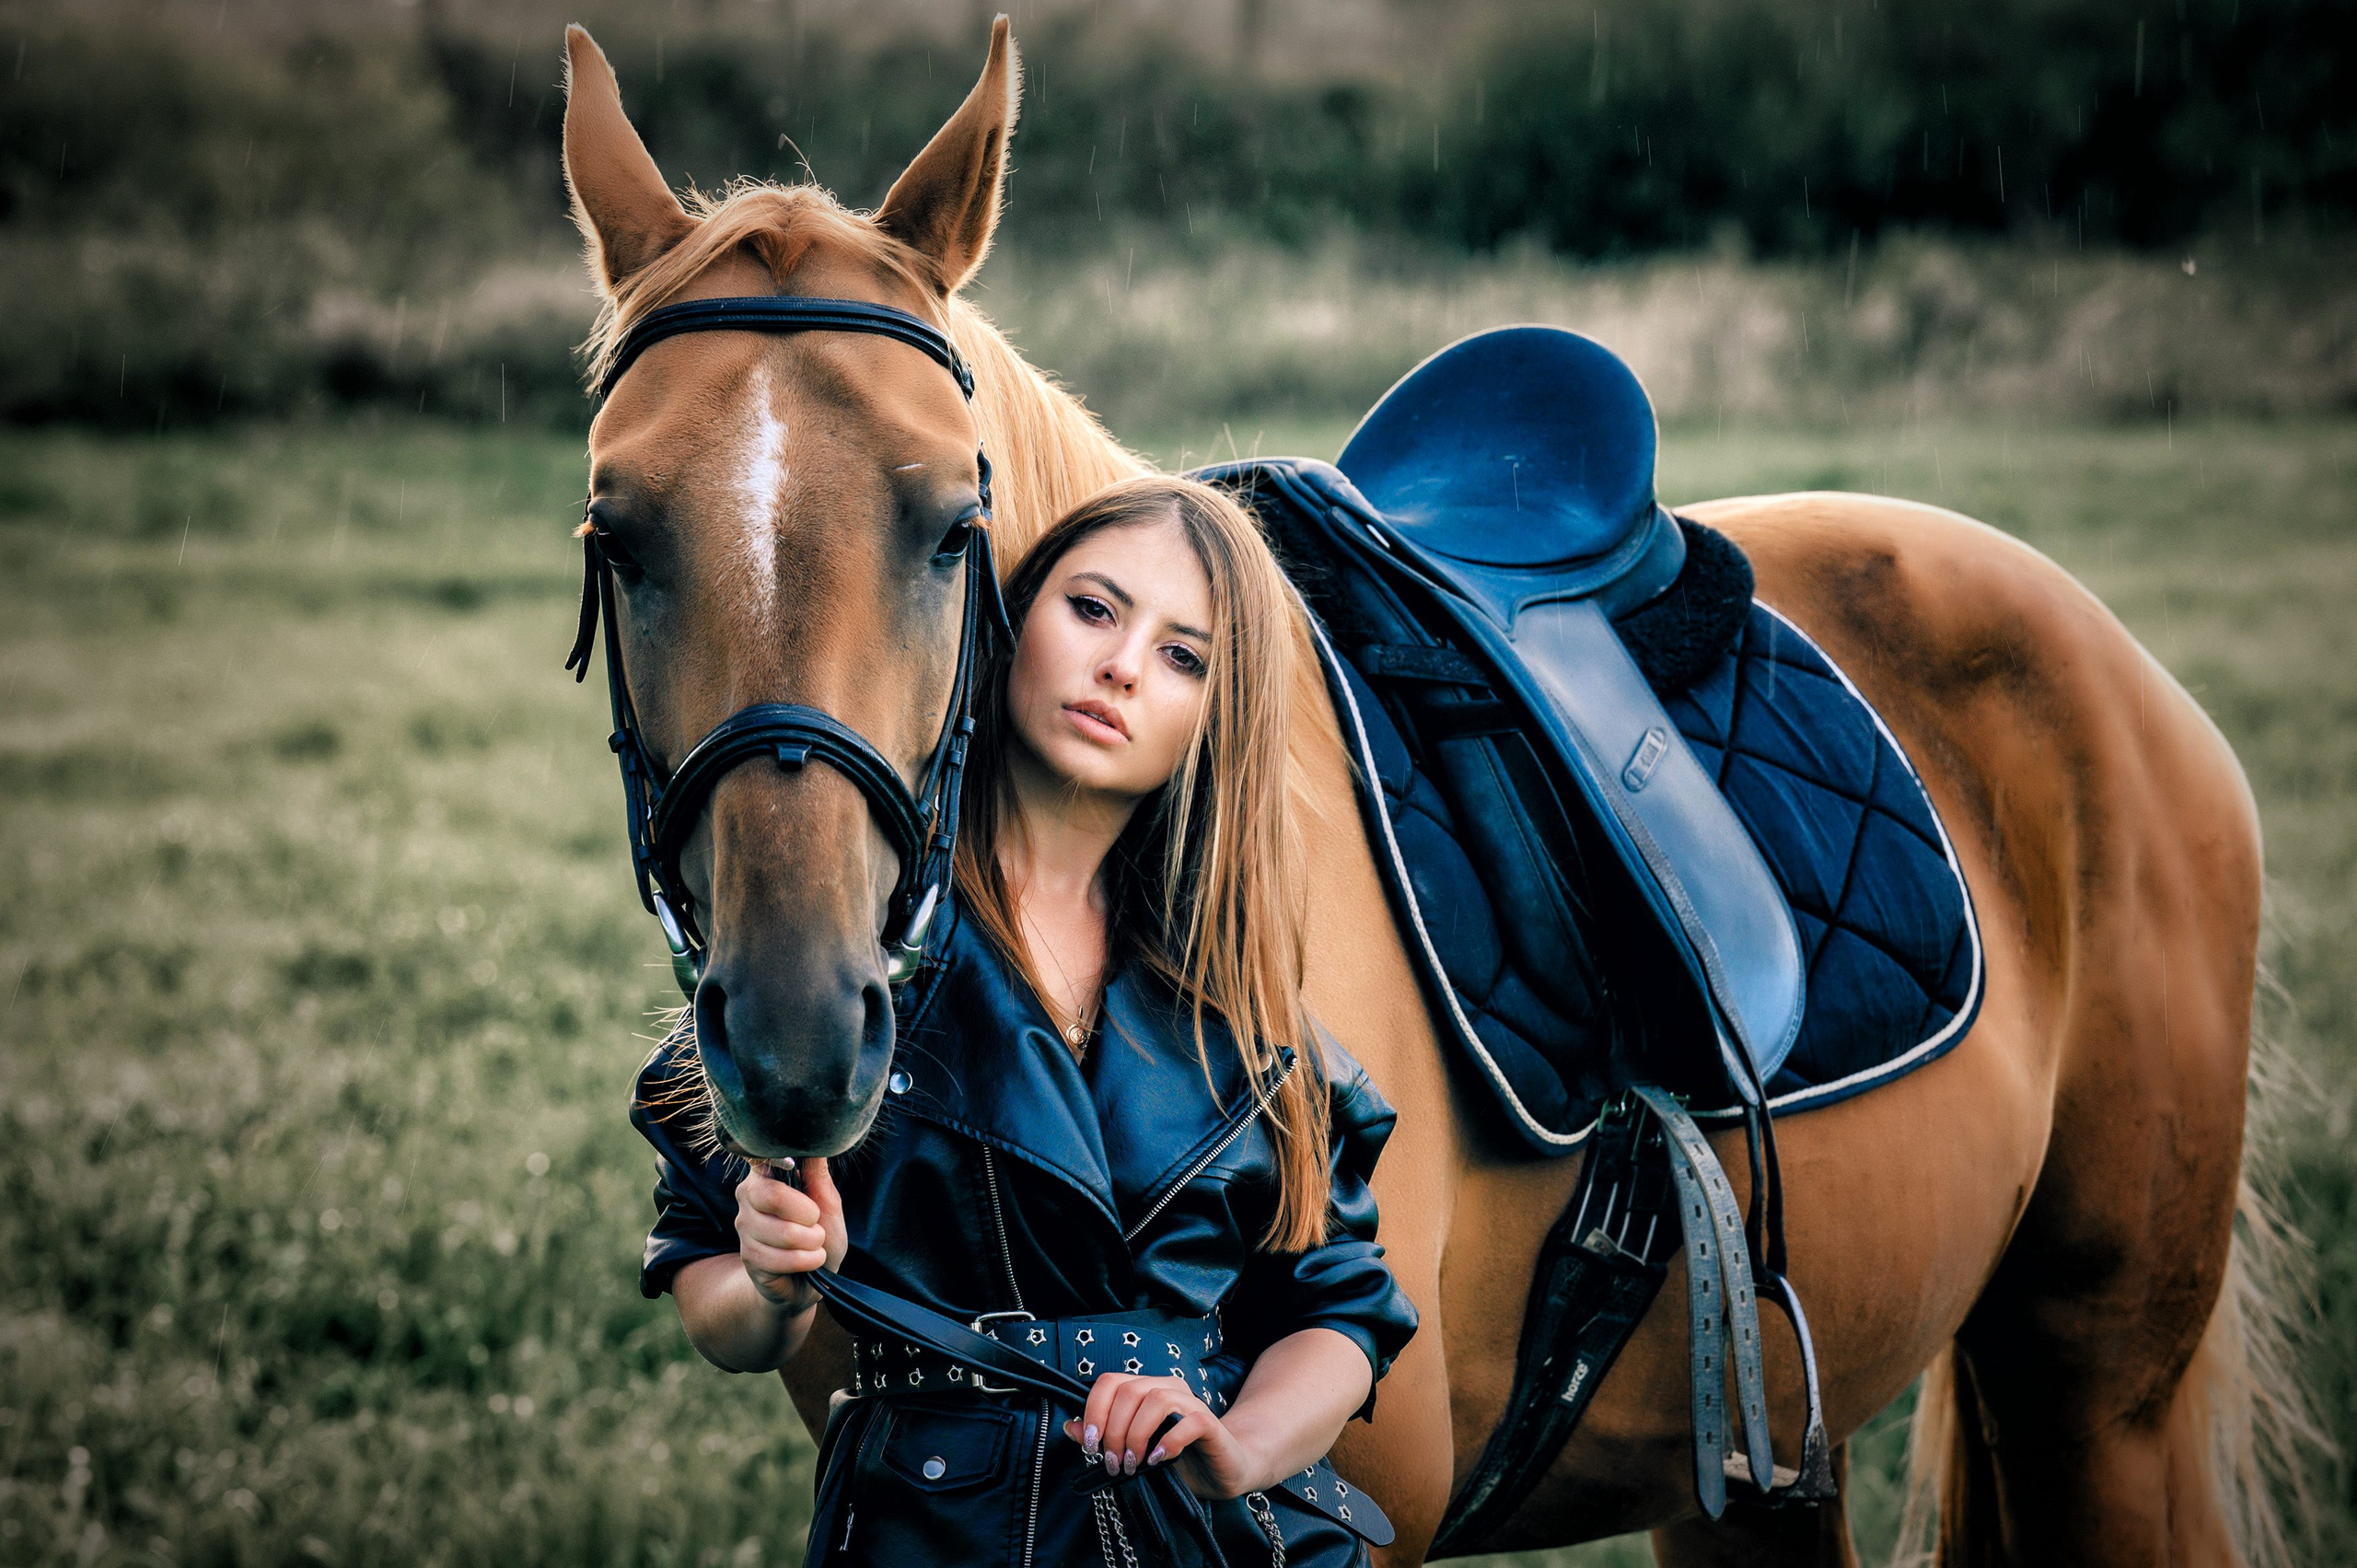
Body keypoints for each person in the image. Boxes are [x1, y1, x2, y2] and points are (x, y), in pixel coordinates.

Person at [628, 475, 1418, 1566]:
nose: (1123, 666)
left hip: (1208, 1537)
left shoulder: (1237, 998)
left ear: (1214, 719)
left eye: (1183, 656)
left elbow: (1338, 1310)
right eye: (1093, 609)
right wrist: (769, 1282)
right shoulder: (849, 964)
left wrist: (1239, 1445)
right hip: (940, 1523)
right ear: (1006, 622)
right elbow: (714, 1294)